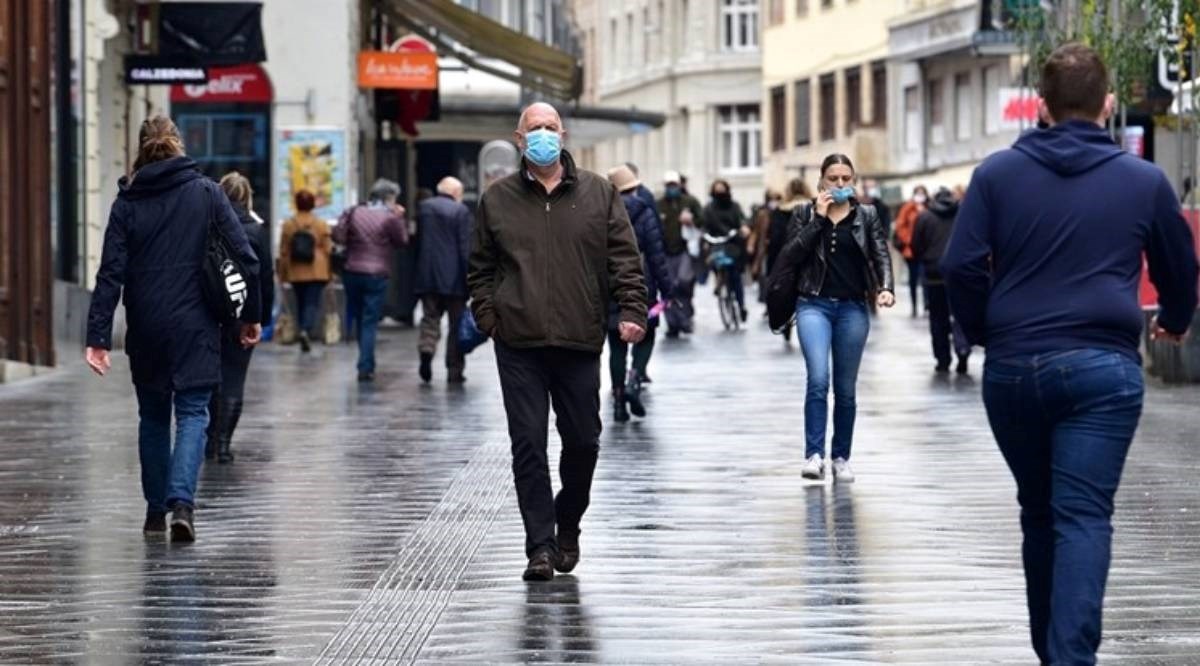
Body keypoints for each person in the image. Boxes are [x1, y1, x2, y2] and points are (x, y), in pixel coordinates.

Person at [942, 43, 1198, 665]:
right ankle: (1069, 658)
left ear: (1043, 105)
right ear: (1107, 104)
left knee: (1038, 510)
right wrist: (1174, 319)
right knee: (1082, 515)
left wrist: (982, 332)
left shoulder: (997, 175)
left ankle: (1050, 653)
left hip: (1014, 369)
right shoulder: (1142, 181)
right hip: (1101, 371)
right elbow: (1180, 269)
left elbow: (959, 265)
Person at [468, 102, 646, 581]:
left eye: (551, 127)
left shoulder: (600, 193)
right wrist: (490, 317)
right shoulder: (497, 199)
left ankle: (568, 523)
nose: (543, 135)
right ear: (520, 138)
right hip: (518, 341)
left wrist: (632, 310)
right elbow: (480, 268)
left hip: (578, 339)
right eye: (535, 129)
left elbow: (625, 260)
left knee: (584, 442)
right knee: (527, 444)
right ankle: (540, 547)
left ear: (562, 134)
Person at [84, 116, 261, 542]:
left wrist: (98, 337)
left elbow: (110, 273)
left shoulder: (127, 201)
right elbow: (245, 257)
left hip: (145, 323)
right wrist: (249, 315)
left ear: (141, 148)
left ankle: (153, 512)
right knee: (193, 412)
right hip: (196, 321)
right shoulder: (207, 193)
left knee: (153, 416)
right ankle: (183, 504)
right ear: (179, 145)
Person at [777, 154, 895, 483]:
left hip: (852, 308)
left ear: (853, 180)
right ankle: (813, 455)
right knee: (818, 378)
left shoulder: (866, 215)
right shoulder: (803, 212)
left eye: (846, 178)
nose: (840, 184)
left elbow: (880, 253)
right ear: (822, 181)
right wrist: (818, 218)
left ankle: (841, 456)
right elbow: (789, 255)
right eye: (833, 178)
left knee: (845, 389)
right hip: (813, 305)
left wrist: (885, 288)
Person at [205, 172, 274, 464]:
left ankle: (208, 437)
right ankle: (222, 445)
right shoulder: (255, 231)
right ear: (247, 198)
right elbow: (264, 277)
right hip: (242, 313)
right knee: (233, 379)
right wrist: (259, 316)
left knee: (208, 378)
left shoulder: (207, 226)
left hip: (208, 310)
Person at [606, 165, 673, 422]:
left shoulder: (603, 214)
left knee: (616, 345)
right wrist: (668, 290)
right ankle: (635, 378)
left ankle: (618, 400)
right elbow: (657, 256)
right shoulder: (645, 212)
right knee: (646, 335)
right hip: (642, 284)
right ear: (635, 187)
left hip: (611, 286)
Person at [333, 179, 409, 382]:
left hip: (352, 271)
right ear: (389, 198)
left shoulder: (355, 211)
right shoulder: (390, 217)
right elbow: (402, 241)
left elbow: (338, 236)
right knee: (369, 321)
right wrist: (399, 218)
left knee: (360, 318)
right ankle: (365, 366)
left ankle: (366, 361)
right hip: (376, 274)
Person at [415, 176, 473, 384]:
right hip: (454, 278)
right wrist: (471, 276)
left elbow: (418, 241)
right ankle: (454, 369)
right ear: (456, 193)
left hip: (428, 275)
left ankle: (427, 350)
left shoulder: (424, 208)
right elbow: (465, 248)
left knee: (430, 318)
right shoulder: (461, 211)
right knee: (456, 325)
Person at [910, 187, 970, 375]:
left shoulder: (925, 217)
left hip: (934, 274)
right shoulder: (963, 214)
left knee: (938, 319)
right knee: (961, 315)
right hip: (959, 273)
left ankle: (942, 360)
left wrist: (925, 260)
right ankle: (962, 350)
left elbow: (916, 245)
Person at [278, 189, 333, 353]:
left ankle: (302, 328)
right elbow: (328, 248)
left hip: (296, 269)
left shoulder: (289, 224)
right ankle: (305, 330)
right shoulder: (320, 224)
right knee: (312, 301)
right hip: (318, 269)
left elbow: (284, 250)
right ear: (312, 204)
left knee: (301, 301)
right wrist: (331, 272)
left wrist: (282, 273)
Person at [656, 170, 704, 338]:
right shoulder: (658, 204)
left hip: (685, 250)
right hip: (664, 252)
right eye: (668, 185)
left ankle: (685, 318)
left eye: (674, 185)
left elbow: (703, 220)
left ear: (679, 185)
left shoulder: (690, 202)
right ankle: (672, 324)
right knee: (668, 287)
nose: (671, 188)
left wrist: (692, 220)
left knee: (683, 282)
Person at [701, 179, 751, 322]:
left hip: (732, 242)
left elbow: (743, 220)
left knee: (735, 276)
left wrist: (744, 228)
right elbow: (704, 225)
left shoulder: (734, 206)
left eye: (722, 190)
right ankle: (719, 280)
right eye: (717, 191)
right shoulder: (708, 209)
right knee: (714, 262)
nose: (720, 194)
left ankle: (741, 306)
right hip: (716, 243)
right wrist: (704, 236)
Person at [893, 185, 928, 317]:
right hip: (911, 249)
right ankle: (914, 305)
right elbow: (900, 226)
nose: (920, 196)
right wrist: (909, 240)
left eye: (922, 193)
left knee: (925, 276)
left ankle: (926, 304)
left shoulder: (928, 207)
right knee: (913, 277)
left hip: (925, 249)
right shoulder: (908, 208)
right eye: (918, 193)